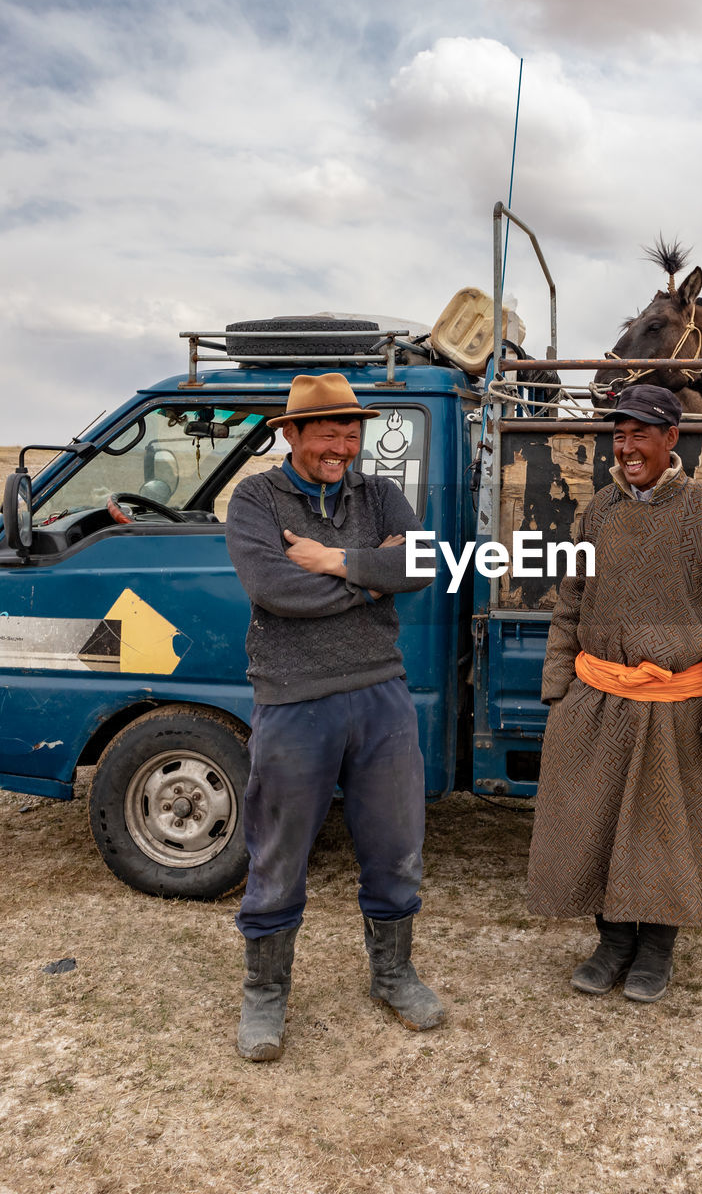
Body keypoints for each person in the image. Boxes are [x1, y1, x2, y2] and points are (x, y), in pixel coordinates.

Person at [527, 383, 702, 1003]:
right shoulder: (598, 511)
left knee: (663, 830)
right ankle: (612, 942)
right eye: (619, 434)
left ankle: (656, 949)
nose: (628, 446)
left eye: (641, 434)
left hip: (675, 706)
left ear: (671, 439)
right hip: (598, 696)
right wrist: (558, 684)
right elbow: (570, 602)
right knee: (596, 823)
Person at [225, 371, 441, 1061]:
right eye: (327, 430)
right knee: (279, 853)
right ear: (291, 433)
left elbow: (425, 563)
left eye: (352, 431)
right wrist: (367, 575)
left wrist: (332, 561)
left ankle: (393, 973)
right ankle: (266, 993)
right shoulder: (256, 498)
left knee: (396, 844)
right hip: (292, 697)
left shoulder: (378, 493)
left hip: (381, 693)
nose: (342, 445)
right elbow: (273, 588)